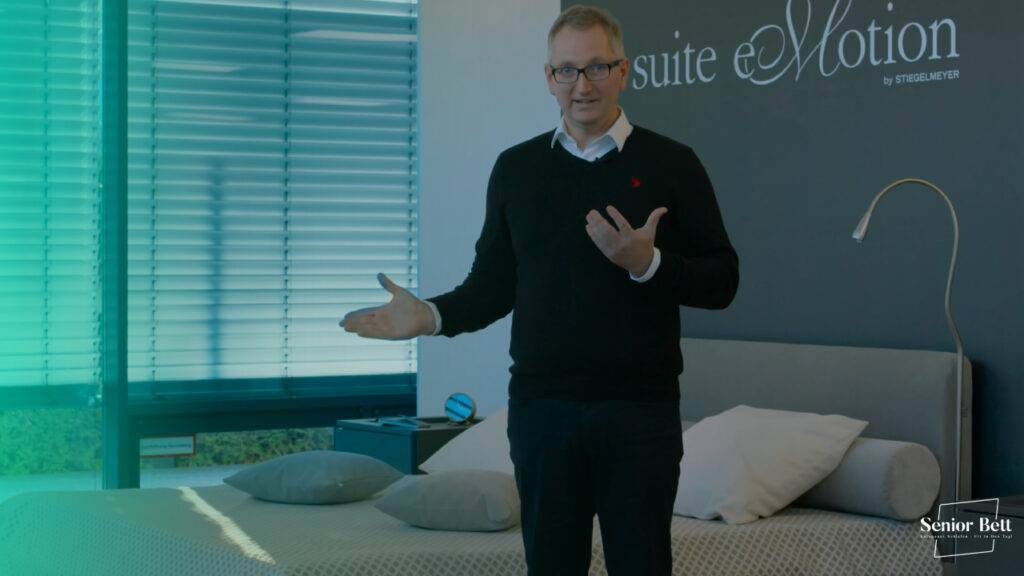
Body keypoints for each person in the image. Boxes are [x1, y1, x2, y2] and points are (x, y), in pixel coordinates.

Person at [341, 4, 738, 575]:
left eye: (597, 67)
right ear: (549, 78)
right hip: (542, 413)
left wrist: (648, 263)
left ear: (623, 71)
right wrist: (430, 315)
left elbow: (723, 280)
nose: (583, 85)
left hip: (639, 413)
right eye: (567, 70)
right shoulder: (517, 169)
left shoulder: (673, 164)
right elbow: (492, 287)